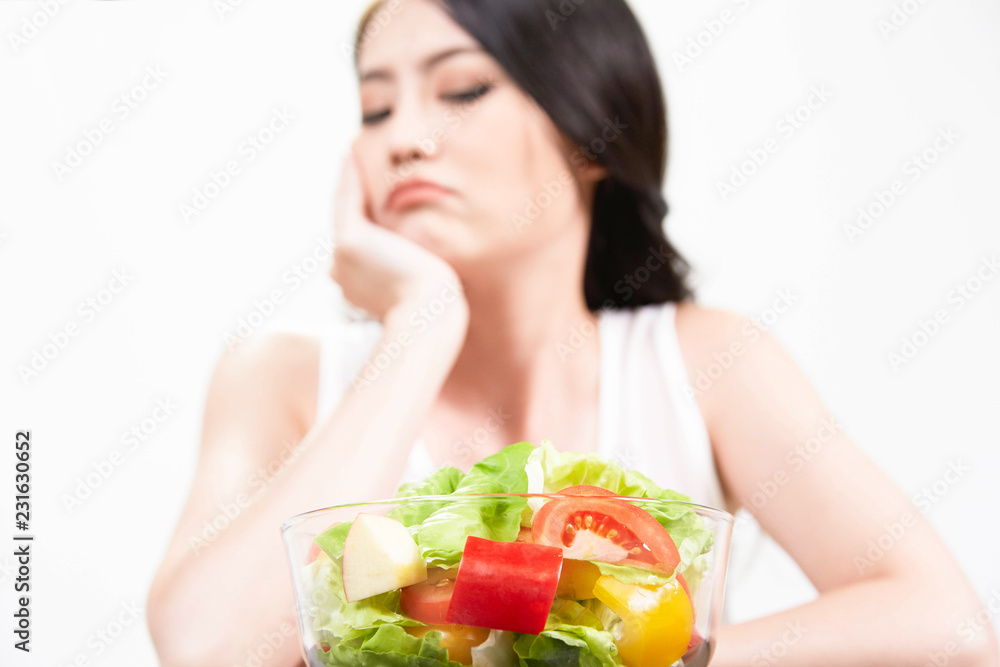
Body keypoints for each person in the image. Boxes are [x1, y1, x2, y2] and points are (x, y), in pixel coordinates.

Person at [146, 1, 999, 666]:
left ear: (589, 133)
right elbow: (211, 648)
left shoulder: (706, 364)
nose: (403, 138)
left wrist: (626, 651)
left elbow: (950, 631)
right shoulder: (279, 378)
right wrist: (421, 324)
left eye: (462, 89)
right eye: (374, 107)